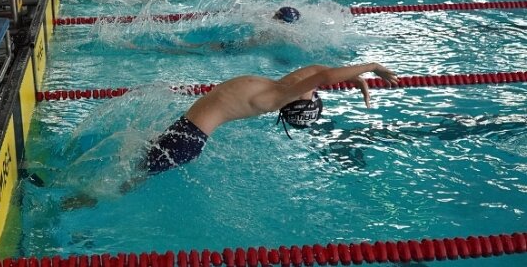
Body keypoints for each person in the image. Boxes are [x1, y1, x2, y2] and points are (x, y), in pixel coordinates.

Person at [141, 63, 399, 175]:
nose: (314, 89)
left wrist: (372, 67)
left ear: (299, 100)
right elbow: (319, 71)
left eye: (312, 93)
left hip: (187, 141)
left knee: (127, 181)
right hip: (186, 134)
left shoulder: (276, 96)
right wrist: (357, 78)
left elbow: (321, 77)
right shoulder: (278, 89)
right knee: (134, 167)